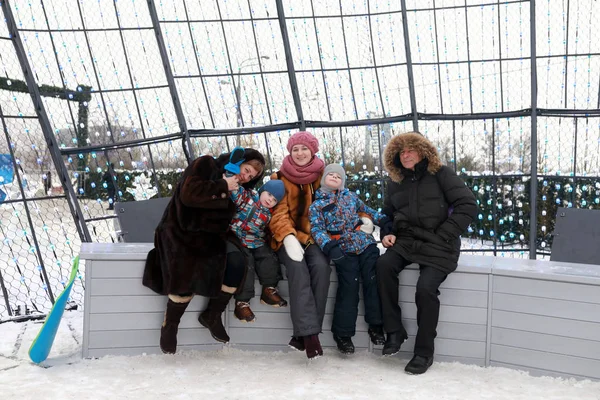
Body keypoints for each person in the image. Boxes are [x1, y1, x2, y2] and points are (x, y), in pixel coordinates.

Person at [142, 147, 266, 354]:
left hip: (214, 236)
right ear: (239, 161)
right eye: (246, 169)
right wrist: (223, 185)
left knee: (237, 262)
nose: (245, 177)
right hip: (182, 230)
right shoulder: (206, 164)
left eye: (251, 176)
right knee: (188, 265)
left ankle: (212, 314)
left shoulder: (239, 191)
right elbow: (189, 194)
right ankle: (171, 324)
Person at [377, 131, 477, 374]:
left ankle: (423, 352)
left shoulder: (441, 174)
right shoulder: (395, 181)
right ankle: (394, 330)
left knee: (425, 289)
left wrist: (444, 234)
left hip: (439, 243)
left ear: (423, 151)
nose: (406, 154)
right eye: (401, 151)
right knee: (382, 266)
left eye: (411, 149)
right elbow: (386, 214)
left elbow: (468, 205)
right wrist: (387, 232)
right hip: (406, 241)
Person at [309, 164, 389, 355]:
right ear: (323, 179)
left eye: (339, 176)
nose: (335, 177)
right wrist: (329, 246)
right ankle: (343, 334)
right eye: (331, 175)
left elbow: (368, 210)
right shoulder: (317, 204)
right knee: (349, 287)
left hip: (365, 243)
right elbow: (317, 229)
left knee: (372, 281)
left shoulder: (351, 196)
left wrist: (384, 220)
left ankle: (376, 325)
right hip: (343, 249)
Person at [268, 130, 329, 359]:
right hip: (287, 237)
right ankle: (311, 337)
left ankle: (302, 335)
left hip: (314, 236)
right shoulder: (278, 178)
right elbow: (278, 214)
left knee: (322, 268)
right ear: (289, 152)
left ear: (313, 151)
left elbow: (344, 201)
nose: (300, 153)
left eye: (304, 148)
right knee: (297, 269)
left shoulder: (324, 176)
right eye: (295, 149)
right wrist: (288, 236)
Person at [229, 179, 288, 323]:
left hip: (255, 240)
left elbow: (267, 230)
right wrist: (231, 176)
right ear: (262, 190)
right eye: (269, 194)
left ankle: (269, 289)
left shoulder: (269, 214)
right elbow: (235, 193)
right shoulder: (248, 197)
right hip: (237, 237)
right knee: (247, 263)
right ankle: (242, 303)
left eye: (274, 199)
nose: (270, 200)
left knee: (268, 256)